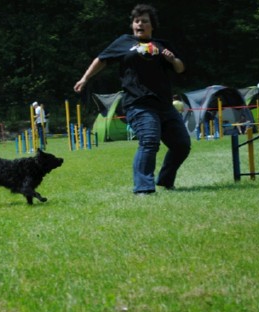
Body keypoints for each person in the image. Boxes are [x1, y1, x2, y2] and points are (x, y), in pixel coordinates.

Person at [74, 4, 191, 195]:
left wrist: (172, 59)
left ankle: (166, 180)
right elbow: (101, 59)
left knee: (182, 145)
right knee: (149, 140)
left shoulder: (163, 45)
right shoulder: (123, 42)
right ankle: (143, 188)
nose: (140, 24)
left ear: (152, 26)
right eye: (137, 21)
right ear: (132, 25)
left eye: (145, 21)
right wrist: (85, 78)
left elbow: (180, 68)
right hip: (138, 104)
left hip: (164, 105)